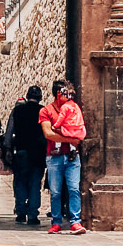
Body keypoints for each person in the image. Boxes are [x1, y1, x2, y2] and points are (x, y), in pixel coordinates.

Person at [38, 81, 87, 234]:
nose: (70, 96)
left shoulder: (73, 108)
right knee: (56, 191)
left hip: (72, 157)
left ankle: (75, 221)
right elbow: (48, 134)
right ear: (59, 93)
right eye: (67, 93)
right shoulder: (46, 111)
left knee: (73, 189)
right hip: (54, 158)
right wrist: (71, 139)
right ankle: (56, 221)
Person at [7, 85, 46, 226]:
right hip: (38, 153)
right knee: (35, 184)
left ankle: (21, 212)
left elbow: (9, 132)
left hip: (21, 152)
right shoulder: (43, 111)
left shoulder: (17, 111)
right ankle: (33, 215)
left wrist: (7, 150)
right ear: (40, 97)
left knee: (20, 182)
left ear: (27, 96)